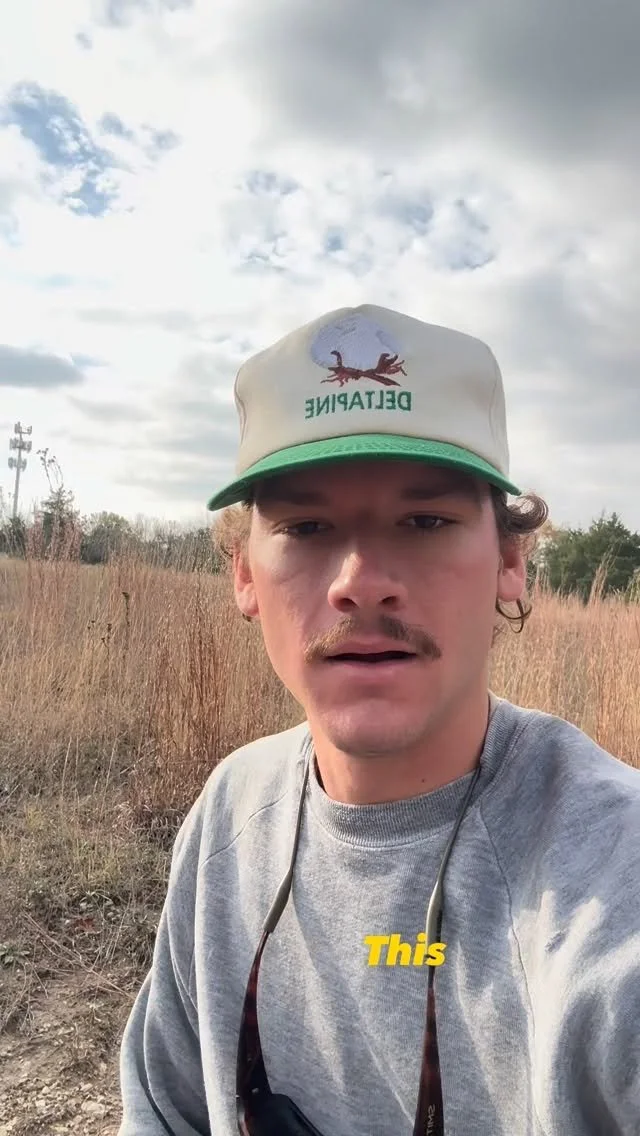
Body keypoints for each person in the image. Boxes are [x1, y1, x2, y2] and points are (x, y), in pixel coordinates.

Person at [118, 305, 640, 1135]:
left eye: (425, 521)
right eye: (306, 527)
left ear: (510, 560)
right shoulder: (230, 813)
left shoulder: (613, 883)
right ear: (244, 574)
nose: (360, 581)